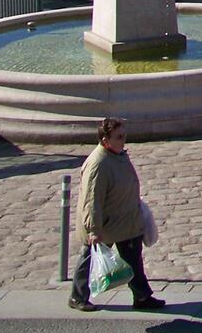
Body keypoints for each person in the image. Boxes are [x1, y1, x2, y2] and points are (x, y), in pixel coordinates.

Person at [68, 118, 165, 312]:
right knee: (90, 258)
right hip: (106, 224)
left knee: (133, 260)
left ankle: (142, 296)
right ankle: (78, 296)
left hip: (125, 220)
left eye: (124, 135)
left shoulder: (118, 155)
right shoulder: (99, 164)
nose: (124, 140)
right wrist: (93, 230)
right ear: (105, 140)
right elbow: (91, 200)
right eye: (119, 137)